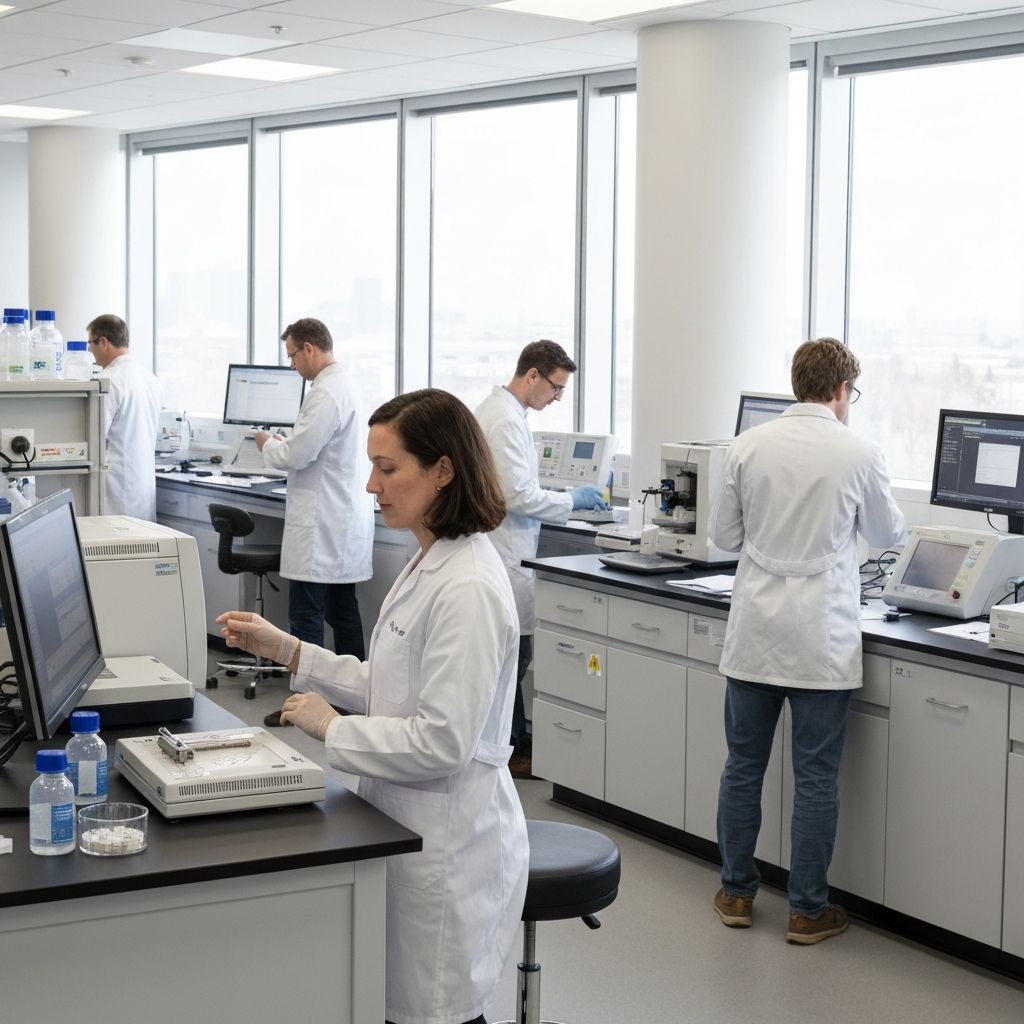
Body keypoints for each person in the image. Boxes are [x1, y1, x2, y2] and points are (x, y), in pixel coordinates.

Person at [218, 388, 529, 1024]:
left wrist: (332, 727)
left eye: (387, 468)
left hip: (448, 842)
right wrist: (290, 650)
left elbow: (442, 741)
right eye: (372, 467)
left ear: (443, 471)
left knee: (434, 1012)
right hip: (402, 819)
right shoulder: (432, 559)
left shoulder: (468, 587)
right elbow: (392, 683)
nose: (371, 485)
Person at [708, 337, 907, 945]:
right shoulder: (858, 452)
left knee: (743, 767)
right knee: (816, 777)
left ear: (798, 383)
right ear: (842, 389)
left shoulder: (747, 446)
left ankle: (736, 894)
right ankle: (806, 911)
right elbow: (888, 533)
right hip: (823, 639)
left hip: (755, 634)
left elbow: (723, 536)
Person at [474, 339, 608, 776]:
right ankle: (512, 747)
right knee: (511, 660)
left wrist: (560, 496)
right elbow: (517, 495)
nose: (557, 398)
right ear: (532, 375)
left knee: (510, 660)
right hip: (503, 553)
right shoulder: (503, 420)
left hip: (504, 551)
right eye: (556, 387)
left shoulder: (503, 413)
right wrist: (572, 500)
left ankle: (510, 742)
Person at [256, 318, 374, 727]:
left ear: (309, 348)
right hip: (341, 521)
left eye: (292, 355)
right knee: (344, 614)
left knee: (306, 616)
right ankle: (355, 701)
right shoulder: (345, 384)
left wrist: (267, 444)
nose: (292, 365)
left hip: (322, 526)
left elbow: (296, 454)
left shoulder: (325, 391)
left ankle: (302, 704)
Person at [87, 314, 162, 521]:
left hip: (116, 491)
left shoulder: (108, 380)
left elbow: (93, 436)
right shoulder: (150, 378)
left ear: (103, 342)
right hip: (142, 488)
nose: (90, 351)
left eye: (90, 343)